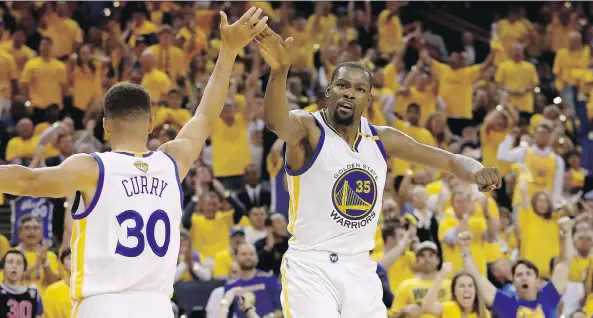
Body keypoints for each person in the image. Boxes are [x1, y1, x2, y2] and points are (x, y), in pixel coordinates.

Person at [0, 7, 269, 318]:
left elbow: (27, 181)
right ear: (152, 123)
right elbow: (206, 115)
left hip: (102, 306)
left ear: (105, 125)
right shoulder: (171, 162)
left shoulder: (91, 168)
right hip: (156, 307)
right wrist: (229, 49)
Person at [254, 27, 501, 317]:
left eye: (359, 89)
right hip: (311, 266)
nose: (350, 93)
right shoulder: (308, 127)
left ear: (369, 99)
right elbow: (276, 122)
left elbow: (447, 160)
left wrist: (477, 170)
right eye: (342, 85)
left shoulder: (382, 139)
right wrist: (280, 71)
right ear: (328, 90)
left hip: (360, 267)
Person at [458, 217, 573, 318]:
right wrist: (465, 249)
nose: (524, 277)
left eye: (528, 273)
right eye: (519, 275)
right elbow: (477, 278)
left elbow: (564, 263)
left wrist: (566, 233)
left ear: (537, 281)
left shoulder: (550, 296)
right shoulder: (505, 304)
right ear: (513, 282)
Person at [0, 250, 43, 318]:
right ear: (3, 267)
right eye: (10, 262)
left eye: (19, 263)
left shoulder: (34, 294)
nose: (14, 266)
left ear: (24, 269)